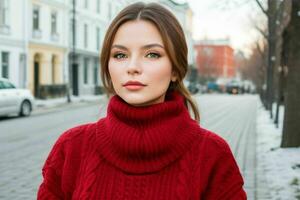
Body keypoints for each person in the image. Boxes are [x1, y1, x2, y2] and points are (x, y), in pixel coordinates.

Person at [37, 2, 247, 199]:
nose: (132, 67)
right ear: (108, 66)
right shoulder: (71, 148)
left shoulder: (212, 154)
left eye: (152, 54)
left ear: (175, 69)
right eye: (120, 55)